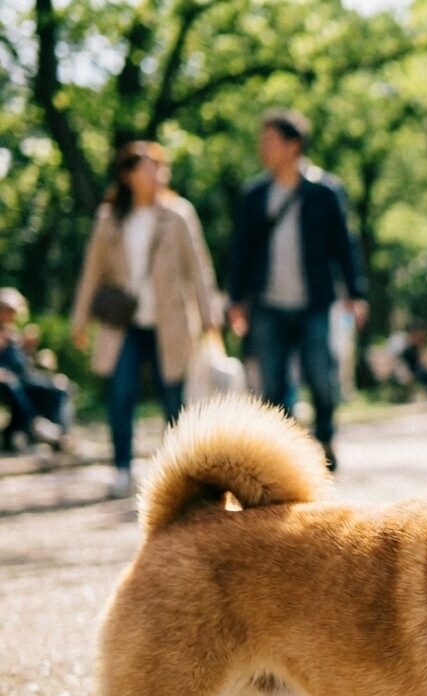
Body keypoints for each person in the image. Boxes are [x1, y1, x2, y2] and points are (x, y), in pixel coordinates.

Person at [71, 142, 219, 496]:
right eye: (148, 167)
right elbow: (92, 272)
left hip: (169, 323)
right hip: (125, 324)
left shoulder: (178, 214)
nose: (157, 174)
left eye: (160, 167)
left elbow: (197, 267)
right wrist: (79, 321)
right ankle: (122, 468)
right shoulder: (110, 219)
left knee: (173, 398)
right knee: (121, 395)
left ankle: (182, 472)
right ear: (128, 174)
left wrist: (209, 314)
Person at [228, 109, 367, 471]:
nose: (264, 148)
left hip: (313, 303)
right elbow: (241, 251)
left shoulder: (324, 191)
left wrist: (356, 293)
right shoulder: (255, 195)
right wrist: (236, 300)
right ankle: (285, 457)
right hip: (267, 304)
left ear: (294, 146)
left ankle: (324, 436)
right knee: (272, 387)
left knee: (321, 378)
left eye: (272, 141)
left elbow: (344, 245)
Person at [0, 288, 69, 451]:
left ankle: (60, 435)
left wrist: (30, 351)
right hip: (7, 381)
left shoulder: (13, 333)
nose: (10, 315)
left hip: (24, 377)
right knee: (12, 384)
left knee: (60, 387)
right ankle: (34, 424)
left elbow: (22, 363)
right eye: (6, 311)